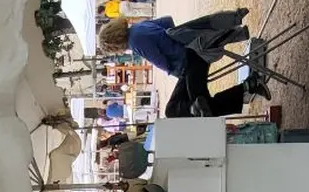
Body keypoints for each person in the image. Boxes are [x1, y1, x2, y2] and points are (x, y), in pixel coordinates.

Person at [98, 15, 270, 117]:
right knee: (189, 109)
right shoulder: (138, 27)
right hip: (191, 51)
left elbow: (162, 62)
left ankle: (249, 86)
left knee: (192, 110)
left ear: (115, 44)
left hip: (189, 62)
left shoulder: (136, 42)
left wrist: (177, 70)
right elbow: (167, 22)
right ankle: (248, 87)